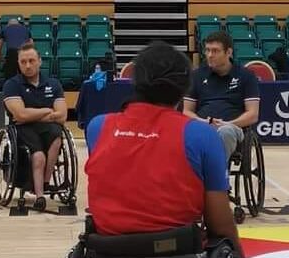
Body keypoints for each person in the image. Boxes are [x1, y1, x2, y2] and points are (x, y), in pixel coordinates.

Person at [85, 42, 238, 246]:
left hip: (108, 254)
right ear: (183, 88)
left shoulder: (97, 127)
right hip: (176, 255)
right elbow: (220, 223)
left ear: (135, 81)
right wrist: (238, 255)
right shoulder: (203, 135)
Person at [1, 42, 67, 212]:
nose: (27, 65)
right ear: (18, 64)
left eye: (31, 61)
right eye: (23, 62)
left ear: (40, 61)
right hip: (23, 129)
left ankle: (44, 183)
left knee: (57, 137)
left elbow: (62, 115)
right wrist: (47, 110)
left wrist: (33, 114)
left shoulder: (53, 84)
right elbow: (20, 116)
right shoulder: (12, 85)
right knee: (38, 156)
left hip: (46, 128)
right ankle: (39, 196)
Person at [182, 31, 261, 160]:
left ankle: (218, 175)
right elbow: (186, 111)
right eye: (207, 50)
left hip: (233, 129)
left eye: (215, 51)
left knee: (225, 132)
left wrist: (228, 124)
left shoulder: (246, 76)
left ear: (228, 52)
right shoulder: (196, 75)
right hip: (202, 126)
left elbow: (253, 115)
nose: (209, 55)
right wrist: (204, 123)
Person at [0, 15, 31, 80]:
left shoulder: (5, 29)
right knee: (24, 76)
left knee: (10, 77)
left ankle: (10, 88)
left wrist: (0, 58)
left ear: (8, 24)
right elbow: (31, 44)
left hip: (11, 52)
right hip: (23, 52)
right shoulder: (26, 30)